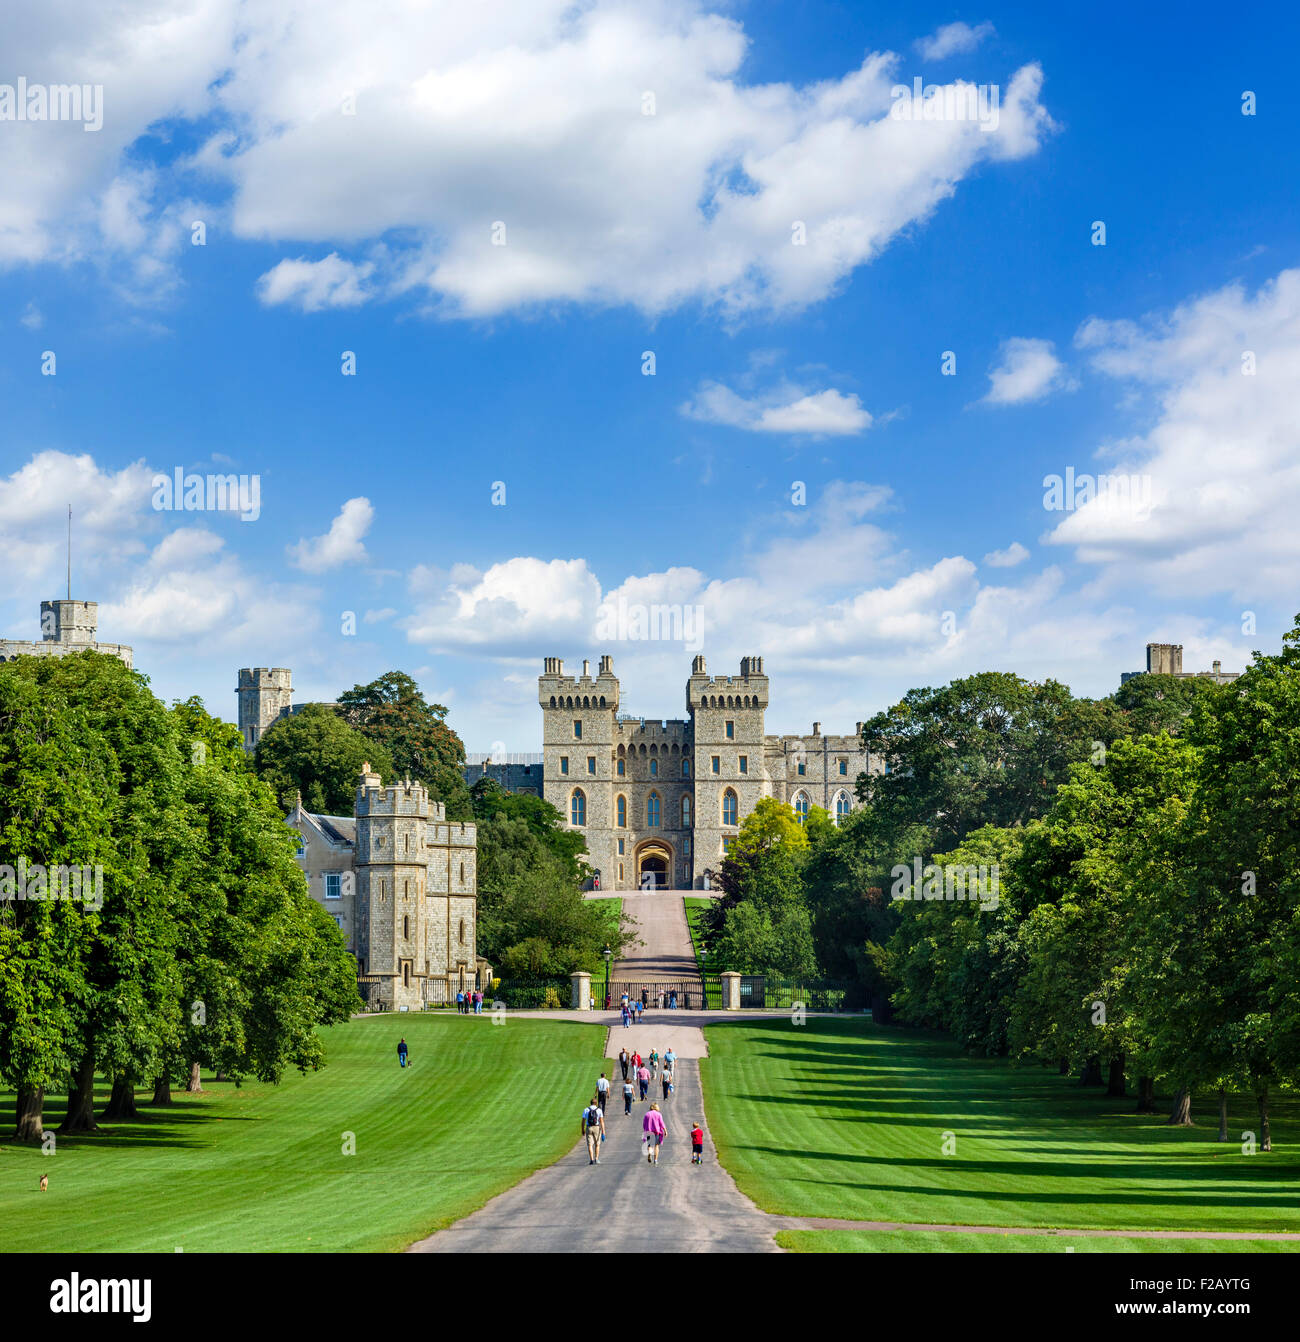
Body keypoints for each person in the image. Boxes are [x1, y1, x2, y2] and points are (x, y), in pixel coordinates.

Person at [582, 1097, 605, 1165]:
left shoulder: (586, 1110)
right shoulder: (599, 1110)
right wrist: (603, 1132)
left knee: (590, 1144)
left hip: (589, 1127)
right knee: (597, 1144)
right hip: (596, 1127)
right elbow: (602, 1122)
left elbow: (583, 1121)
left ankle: (591, 1159)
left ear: (590, 1103)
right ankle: (596, 1158)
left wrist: (582, 1129)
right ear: (596, 1103)